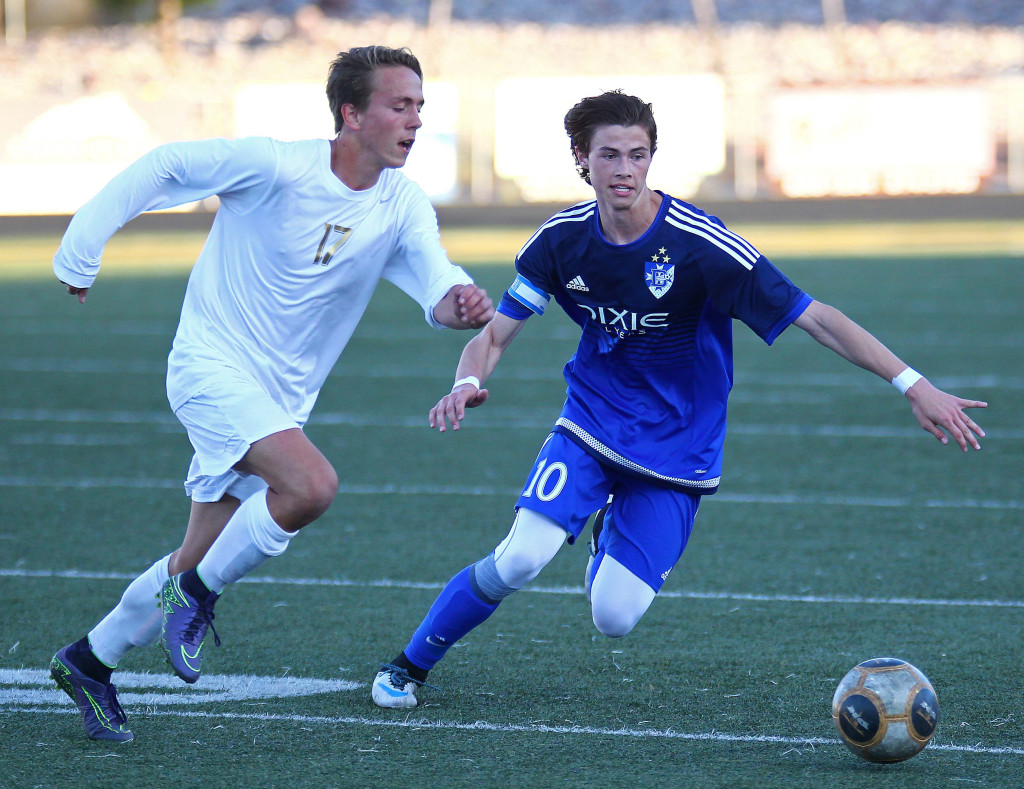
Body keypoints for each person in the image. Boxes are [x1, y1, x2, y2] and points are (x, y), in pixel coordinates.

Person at [370, 90, 987, 709]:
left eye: (638, 156)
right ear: (581, 159)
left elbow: (817, 318)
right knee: (521, 558)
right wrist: (466, 381)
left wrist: (915, 385)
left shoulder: (702, 245)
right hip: (592, 422)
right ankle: (408, 667)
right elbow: (495, 335)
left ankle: (607, 529)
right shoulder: (559, 241)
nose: (624, 171)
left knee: (613, 616)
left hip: (680, 443)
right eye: (609, 156)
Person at [48, 45, 494, 742]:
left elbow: (435, 285)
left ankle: (91, 657)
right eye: (398, 104)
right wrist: (81, 246)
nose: (413, 119)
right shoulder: (277, 165)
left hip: (278, 402)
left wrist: (458, 303)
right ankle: (197, 599)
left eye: (419, 106)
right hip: (209, 370)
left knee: (190, 557)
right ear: (351, 114)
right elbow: (166, 167)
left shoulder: (402, 202)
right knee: (311, 485)